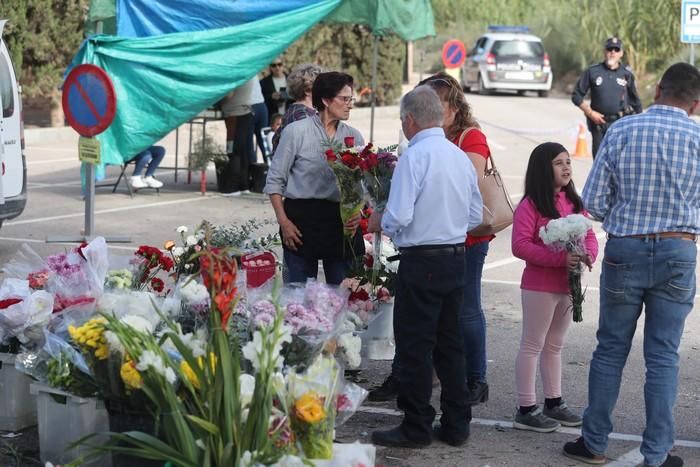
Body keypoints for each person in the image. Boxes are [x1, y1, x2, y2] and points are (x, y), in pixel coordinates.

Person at [563, 63, 700, 467]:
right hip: (679, 251)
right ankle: (657, 453)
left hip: (627, 250)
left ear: (657, 90)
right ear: (695, 103)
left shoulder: (622, 130)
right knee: (663, 355)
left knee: (610, 350)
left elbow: (596, 204)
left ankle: (594, 443)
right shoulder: (698, 137)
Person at [367, 72, 494, 407]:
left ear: (410, 120)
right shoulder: (456, 155)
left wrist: (379, 222)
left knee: (416, 342)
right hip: (454, 255)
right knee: (449, 342)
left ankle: (417, 421)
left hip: (422, 259)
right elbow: (474, 216)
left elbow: (398, 216)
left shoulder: (415, 155)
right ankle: (456, 421)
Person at [511, 142, 598, 433]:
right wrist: (558, 258)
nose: (567, 167)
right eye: (559, 162)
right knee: (533, 344)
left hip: (567, 286)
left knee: (555, 346)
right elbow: (520, 246)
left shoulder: (574, 202)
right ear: (542, 169)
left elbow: (589, 236)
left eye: (568, 161)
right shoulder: (530, 205)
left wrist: (588, 255)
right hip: (539, 286)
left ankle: (554, 401)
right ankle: (526, 407)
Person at [264, 71, 364, 285]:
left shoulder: (354, 137)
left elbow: (358, 184)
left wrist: (357, 212)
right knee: (297, 299)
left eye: (351, 99)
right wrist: (284, 222)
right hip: (300, 224)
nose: (350, 105)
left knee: (345, 298)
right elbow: (274, 181)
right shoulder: (295, 132)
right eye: (344, 99)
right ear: (326, 100)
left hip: (340, 224)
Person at [571, 37, 642, 158]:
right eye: (610, 49)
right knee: (599, 162)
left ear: (621, 53)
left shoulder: (627, 75)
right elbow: (576, 96)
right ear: (604, 51)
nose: (612, 52)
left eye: (616, 49)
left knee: (618, 163)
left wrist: (638, 128)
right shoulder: (593, 72)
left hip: (620, 125)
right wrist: (590, 113)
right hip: (599, 126)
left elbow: (636, 104)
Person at [271, 63, 323, 151]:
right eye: (321, 86)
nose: (325, 90)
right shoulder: (302, 116)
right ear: (307, 91)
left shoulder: (295, 110)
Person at [220, 77, 257, 195]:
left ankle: (232, 187)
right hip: (245, 112)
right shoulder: (248, 72)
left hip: (235, 114)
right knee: (243, 151)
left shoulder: (236, 73)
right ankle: (243, 185)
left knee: (233, 150)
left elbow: (229, 94)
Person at [249, 77, 268, 164]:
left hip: (250, 106)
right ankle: (272, 169)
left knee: (248, 142)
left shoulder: (240, 68)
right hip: (261, 104)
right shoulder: (253, 69)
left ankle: (252, 172)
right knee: (264, 141)